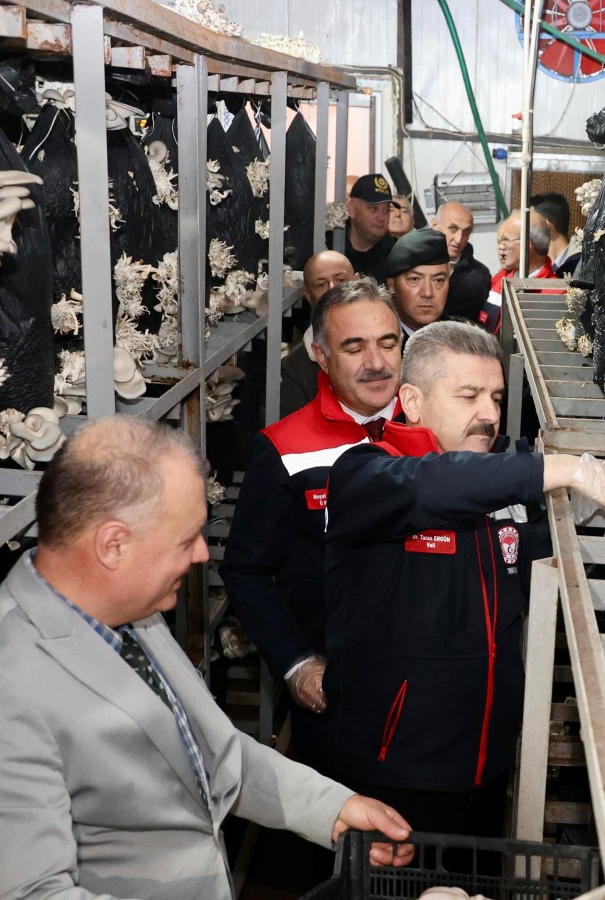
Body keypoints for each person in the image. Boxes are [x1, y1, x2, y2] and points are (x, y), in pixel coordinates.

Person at [0, 417, 412, 899]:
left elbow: (208, 751)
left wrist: (333, 808)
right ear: (113, 545)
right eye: (185, 539)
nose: (201, 555)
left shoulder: (132, 611)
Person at [319, 322, 605, 836]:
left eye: (496, 397)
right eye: (468, 395)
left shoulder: (499, 496)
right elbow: (434, 485)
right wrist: (575, 469)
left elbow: (529, 566)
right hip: (393, 773)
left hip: (487, 762)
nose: (487, 413)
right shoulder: (368, 476)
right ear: (411, 401)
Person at [222, 280, 403, 773]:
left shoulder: (437, 432)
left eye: (388, 342)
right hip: (335, 692)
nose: (377, 362)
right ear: (321, 356)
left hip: (423, 685)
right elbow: (245, 570)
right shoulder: (284, 447)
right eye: (354, 346)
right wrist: (296, 662)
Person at [283, 250, 357, 417]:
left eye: (340, 280)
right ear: (308, 296)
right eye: (321, 284)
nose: (332, 290)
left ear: (357, 281)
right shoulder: (295, 367)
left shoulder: (392, 339)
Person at [479, 210, 556, 334]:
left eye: (506, 240)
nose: (501, 247)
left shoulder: (554, 294)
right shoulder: (500, 281)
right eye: (499, 242)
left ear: (527, 244)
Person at [383, 228, 451, 341]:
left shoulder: (469, 340)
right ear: (391, 285)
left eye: (438, 280)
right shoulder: (378, 340)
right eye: (414, 279)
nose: (428, 293)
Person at [431, 201, 491, 325]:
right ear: (435, 225)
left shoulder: (479, 276)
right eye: (453, 229)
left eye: (466, 232)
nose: (459, 239)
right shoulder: (414, 264)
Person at [344, 173, 402, 281]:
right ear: (351, 209)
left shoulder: (397, 255)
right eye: (373, 209)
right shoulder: (329, 245)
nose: (381, 217)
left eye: (386, 210)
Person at [531, 191, 581, 276]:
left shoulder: (582, 265)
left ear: (546, 225)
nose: (523, 230)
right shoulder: (527, 265)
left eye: (530, 224)